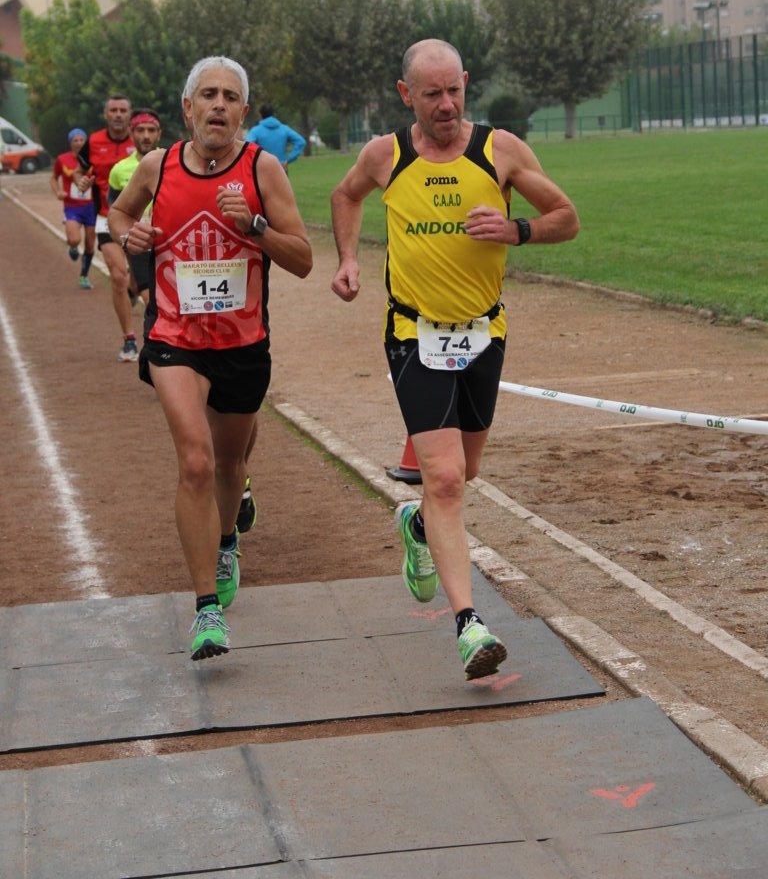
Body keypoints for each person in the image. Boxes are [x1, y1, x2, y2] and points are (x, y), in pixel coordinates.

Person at [330, 38, 579, 680]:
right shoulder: (386, 155)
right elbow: (345, 195)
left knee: (465, 473)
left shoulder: (500, 151)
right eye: (432, 94)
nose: (446, 105)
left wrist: (516, 229)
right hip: (413, 333)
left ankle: (417, 525)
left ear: (466, 82)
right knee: (443, 479)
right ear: (405, 94)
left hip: (483, 331)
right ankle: (470, 625)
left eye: (454, 91)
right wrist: (350, 259)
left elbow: (566, 216)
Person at [108, 56, 312, 660]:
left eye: (229, 96)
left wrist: (254, 225)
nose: (218, 105)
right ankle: (205, 609)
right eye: (207, 95)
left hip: (242, 344)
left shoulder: (263, 168)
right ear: (187, 108)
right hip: (174, 336)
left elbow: (302, 259)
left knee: (228, 463)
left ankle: (227, 541)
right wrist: (127, 235)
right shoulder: (157, 165)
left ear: (243, 111)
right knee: (195, 461)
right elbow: (119, 212)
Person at [74, 94, 138, 361]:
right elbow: (79, 171)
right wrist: (81, 181)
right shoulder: (94, 142)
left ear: (130, 114)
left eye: (123, 110)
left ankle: (133, 292)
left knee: (138, 280)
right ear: (106, 114)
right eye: (113, 110)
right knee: (118, 276)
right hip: (105, 217)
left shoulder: (141, 139)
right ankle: (129, 341)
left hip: (140, 220)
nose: (118, 114)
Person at [108, 109, 162, 307]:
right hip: (139, 238)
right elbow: (115, 209)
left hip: (166, 239)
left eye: (151, 130)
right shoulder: (119, 170)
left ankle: (132, 287)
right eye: (140, 130)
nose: (146, 136)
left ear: (159, 133)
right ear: (131, 133)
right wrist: (125, 236)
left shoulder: (172, 161)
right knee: (149, 298)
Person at [50, 128, 96, 289]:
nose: (79, 143)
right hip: (72, 206)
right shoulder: (62, 159)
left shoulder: (93, 158)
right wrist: (58, 192)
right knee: (74, 239)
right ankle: (73, 246)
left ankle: (84, 276)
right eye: (75, 140)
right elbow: (54, 177)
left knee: (90, 245)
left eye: (81, 140)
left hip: (91, 207)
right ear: (70, 143)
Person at [245, 103, 306, 168]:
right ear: (274, 114)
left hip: (261, 168)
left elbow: (247, 145)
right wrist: (289, 159)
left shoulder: (255, 131)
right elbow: (301, 142)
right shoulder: (284, 129)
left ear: (260, 115)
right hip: (281, 168)